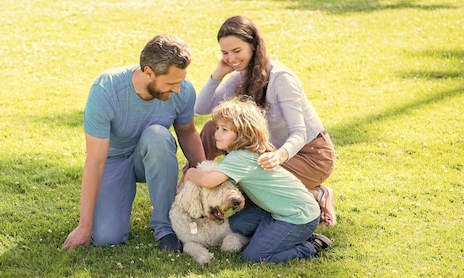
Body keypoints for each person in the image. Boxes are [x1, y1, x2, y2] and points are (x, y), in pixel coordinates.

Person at [62, 34, 206, 252]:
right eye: (171, 83)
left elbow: (187, 133)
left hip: (152, 155)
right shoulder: (106, 89)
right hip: (113, 160)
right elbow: (95, 162)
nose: (177, 89)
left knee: (158, 135)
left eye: (181, 81)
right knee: (106, 237)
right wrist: (84, 226)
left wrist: (205, 178)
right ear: (148, 72)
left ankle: (166, 228)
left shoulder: (183, 90)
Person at [193, 15, 337, 226]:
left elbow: (299, 132)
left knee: (248, 187)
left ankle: (317, 194)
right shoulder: (240, 75)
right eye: (225, 53)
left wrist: (279, 156)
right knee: (210, 128)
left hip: (310, 155)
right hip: (268, 153)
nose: (231, 59)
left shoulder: (281, 79)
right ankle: (189, 189)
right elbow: (201, 108)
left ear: (254, 46)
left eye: (237, 51)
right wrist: (217, 74)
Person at [183, 97, 332, 263]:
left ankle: (312, 245)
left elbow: (209, 181)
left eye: (224, 130)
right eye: (217, 128)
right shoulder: (244, 154)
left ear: (243, 134)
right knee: (236, 224)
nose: (216, 133)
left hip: (298, 217)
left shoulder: (239, 158)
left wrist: (190, 172)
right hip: (276, 210)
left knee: (254, 256)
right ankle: (275, 234)